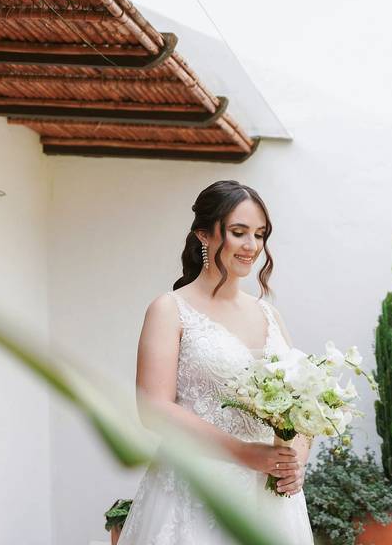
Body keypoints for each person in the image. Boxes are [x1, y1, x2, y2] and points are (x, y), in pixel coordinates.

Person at [116, 180, 315, 545]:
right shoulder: (170, 309)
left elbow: (302, 403)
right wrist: (244, 453)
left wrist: (295, 459)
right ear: (203, 236)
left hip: (269, 497)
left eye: (260, 234)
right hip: (197, 490)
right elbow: (153, 408)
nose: (252, 246)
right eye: (239, 232)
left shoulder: (270, 315)